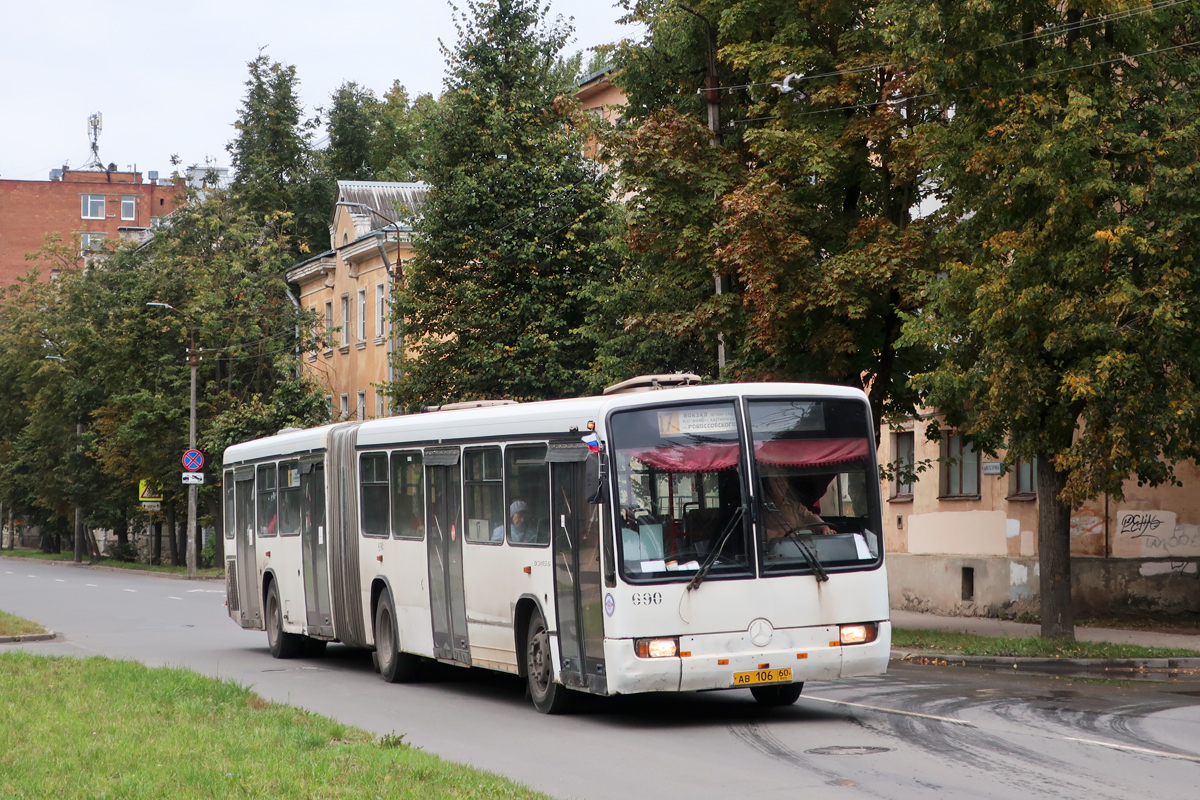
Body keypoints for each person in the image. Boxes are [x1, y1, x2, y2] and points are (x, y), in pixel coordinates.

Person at [763, 473, 836, 539]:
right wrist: (778, 536)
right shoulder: (762, 508)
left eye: (784, 479)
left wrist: (823, 527)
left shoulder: (795, 506)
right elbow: (757, 531)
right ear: (768, 486)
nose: (782, 484)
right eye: (777, 480)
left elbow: (810, 517)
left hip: (803, 549)